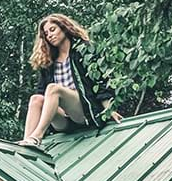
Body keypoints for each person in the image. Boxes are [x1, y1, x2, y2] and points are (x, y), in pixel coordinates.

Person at [19, 13, 120, 146]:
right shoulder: (49, 61)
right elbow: (41, 92)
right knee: (36, 98)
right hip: (63, 121)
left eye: (52, 30)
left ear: (64, 28)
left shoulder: (83, 51)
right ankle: (27, 142)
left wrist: (109, 110)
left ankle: (37, 137)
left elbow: (101, 82)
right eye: (46, 34)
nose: (49, 35)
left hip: (84, 113)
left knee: (53, 89)